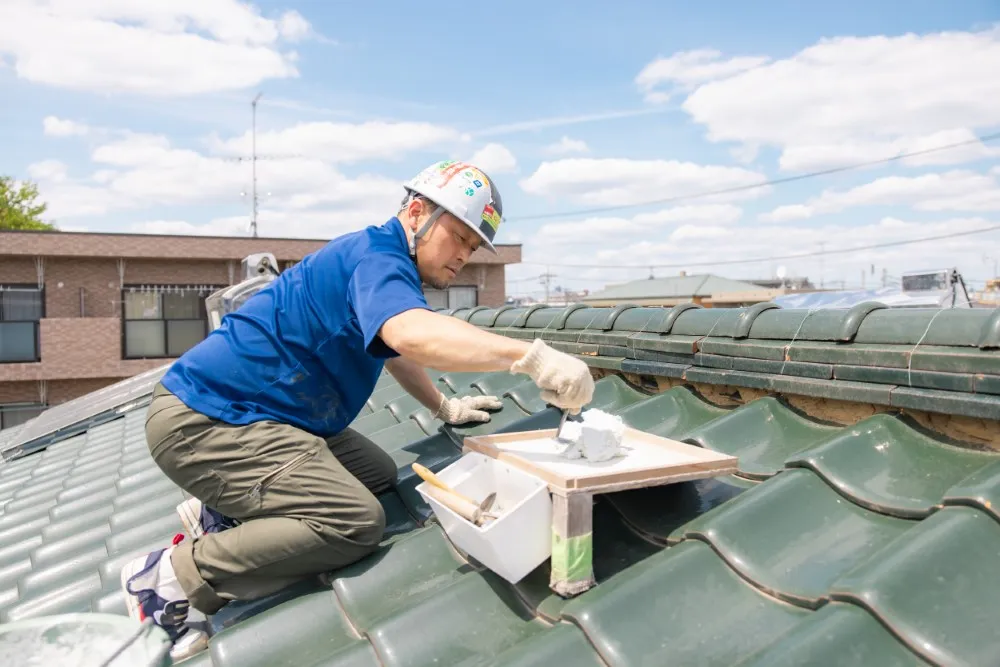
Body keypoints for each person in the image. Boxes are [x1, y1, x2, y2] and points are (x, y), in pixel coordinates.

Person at [119, 159, 596, 659]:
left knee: (377, 471)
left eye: (473, 247)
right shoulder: (378, 258)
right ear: (416, 213)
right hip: (205, 419)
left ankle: (221, 511)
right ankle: (168, 577)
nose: (463, 257)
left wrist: (443, 407)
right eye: (458, 236)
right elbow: (411, 333)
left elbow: (395, 350)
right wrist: (530, 357)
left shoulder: (381, 261)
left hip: (259, 414)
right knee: (353, 522)